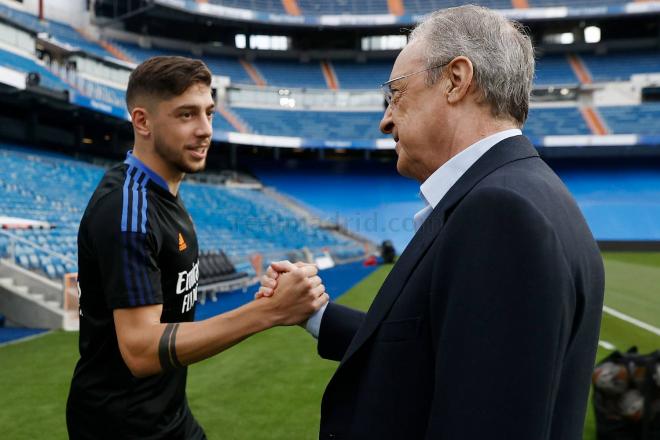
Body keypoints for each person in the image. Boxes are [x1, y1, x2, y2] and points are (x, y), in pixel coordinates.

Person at [259, 6, 605, 439]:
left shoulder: (499, 214)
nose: (385, 120)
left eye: (396, 94)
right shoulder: (525, 193)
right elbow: (427, 353)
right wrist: (317, 314)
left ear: (456, 80)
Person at [66, 56, 328, 439]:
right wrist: (268, 312)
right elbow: (139, 350)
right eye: (186, 115)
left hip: (167, 415)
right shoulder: (128, 208)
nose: (206, 130)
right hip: (121, 426)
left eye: (209, 113)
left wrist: (267, 295)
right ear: (142, 121)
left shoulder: (166, 194)